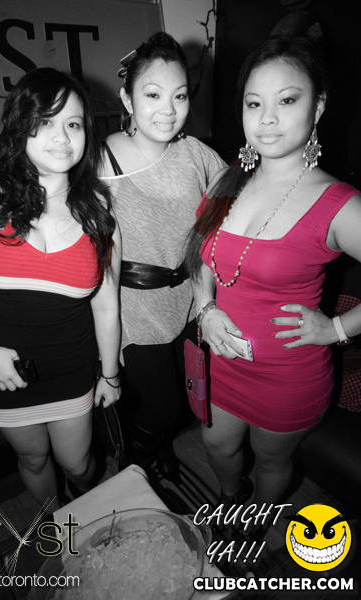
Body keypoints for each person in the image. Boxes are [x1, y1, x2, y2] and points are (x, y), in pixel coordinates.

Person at [185, 34, 361, 541]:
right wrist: (206, 308)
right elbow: (199, 257)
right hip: (223, 360)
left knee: (270, 460)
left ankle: (255, 521)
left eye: (286, 101)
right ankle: (229, 500)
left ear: (318, 106)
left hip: (288, 376)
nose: (266, 119)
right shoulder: (227, 182)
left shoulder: (340, 203)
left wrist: (336, 330)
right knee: (217, 446)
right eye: (253, 104)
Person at [0, 68, 121, 510]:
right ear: (21, 125)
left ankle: (90, 512)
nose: (62, 137)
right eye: (45, 121)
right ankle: (57, 530)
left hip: (71, 370)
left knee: (78, 464)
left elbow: (106, 306)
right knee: (32, 459)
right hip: (0, 370)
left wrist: (110, 375)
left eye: (73, 124)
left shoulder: (99, 210)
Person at [100, 32, 226, 462]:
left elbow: (236, 203)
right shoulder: (100, 162)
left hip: (190, 299)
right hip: (135, 309)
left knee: (189, 394)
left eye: (180, 96)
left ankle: (157, 451)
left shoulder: (196, 153)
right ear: (127, 99)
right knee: (162, 406)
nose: (169, 110)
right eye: (153, 95)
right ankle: (135, 463)